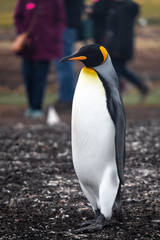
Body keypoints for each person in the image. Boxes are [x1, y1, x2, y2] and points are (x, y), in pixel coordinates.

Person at [13, 0, 66, 118]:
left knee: (40, 76)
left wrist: (53, 35)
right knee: (27, 74)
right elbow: (18, 16)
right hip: (28, 45)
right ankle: (31, 105)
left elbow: (60, 20)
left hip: (46, 44)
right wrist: (22, 33)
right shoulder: (24, 1)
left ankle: (37, 107)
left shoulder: (55, 2)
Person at [91, 0, 149, 95]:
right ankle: (141, 86)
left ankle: (114, 97)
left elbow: (123, 31)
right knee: (120, 69)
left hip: (118, 48)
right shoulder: (117, 6)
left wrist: (118, 49)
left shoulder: (124, 8)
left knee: (115, 71)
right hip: (115, 46)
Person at [53, 0, 84, 112]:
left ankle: (67, 98)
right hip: (68, 25)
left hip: (65, 26)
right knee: (64, 63)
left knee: (63, 62)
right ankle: (67, 97)